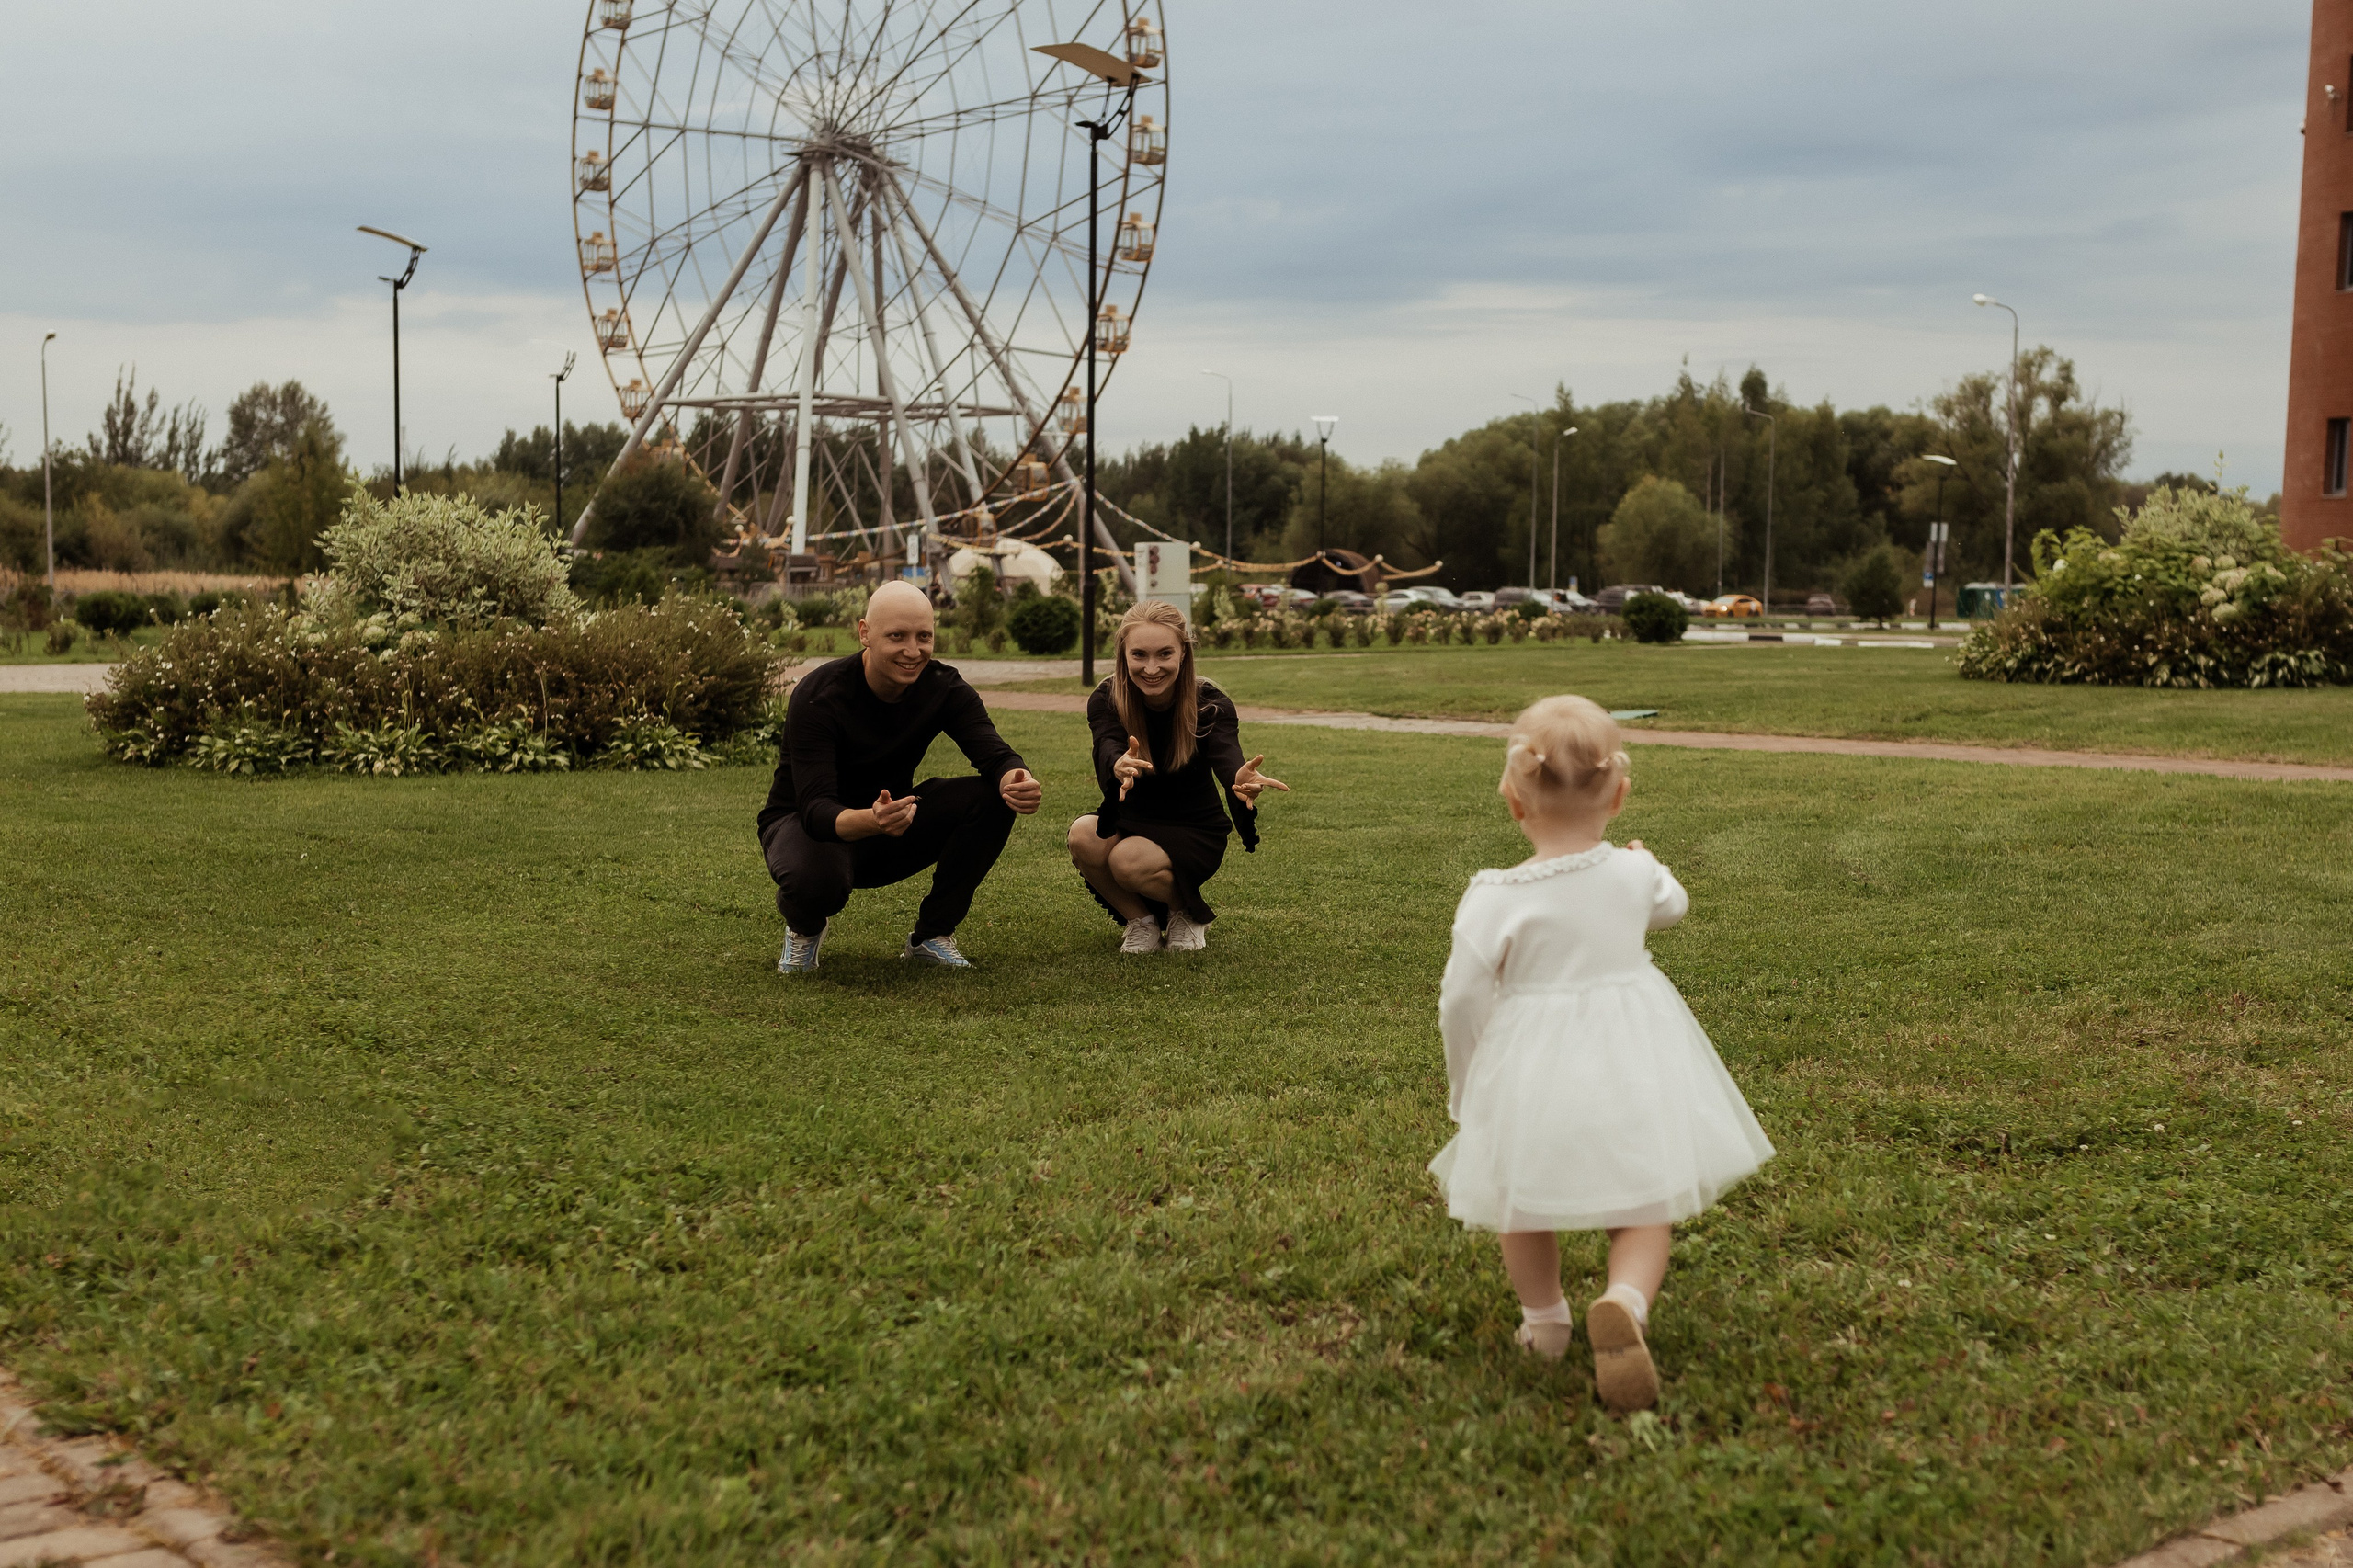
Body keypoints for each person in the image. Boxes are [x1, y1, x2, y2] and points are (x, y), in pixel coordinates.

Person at [1428, 695, 1774, 1411]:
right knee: (1646, 1201)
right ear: (1619, 793)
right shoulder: (1633, 873)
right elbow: (1673, 907)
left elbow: (1460, 1000)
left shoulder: (1491, 896)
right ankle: (1625, 1302)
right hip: (1631, 1055)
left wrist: (1468, 1089)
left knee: (1522, 1200)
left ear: (1512, 800)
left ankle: (1546, 1321)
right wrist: (1651, 864)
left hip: (1532, 1065)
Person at [758, 580, 1043, 972]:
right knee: (815, 880)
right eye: (897, 636)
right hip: (809, 827)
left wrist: (1016, 780)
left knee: (993, 796)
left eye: (923, 636)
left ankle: (932, 935)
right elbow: (815, 809)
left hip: (890, 821)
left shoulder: (944, 687)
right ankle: (805, 928)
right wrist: (871, 820)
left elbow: (995, 755)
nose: (913, 651)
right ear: (865, 634)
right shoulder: (819, 695)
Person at [1067, 600, 1287, 952]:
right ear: (1123, 655)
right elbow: (1107, 742)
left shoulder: (1209, 702)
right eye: (1139, 655)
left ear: (1183, 653)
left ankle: (1186, 913)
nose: (1151, 668)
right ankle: (1142, 922)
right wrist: (1116, 763)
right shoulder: (1107, 698)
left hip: (1194, 827)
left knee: (1128, 860)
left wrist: (1239, 777)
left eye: (1164, 654)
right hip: (1133, 817)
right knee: (1083, 835)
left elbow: (1227, 755)